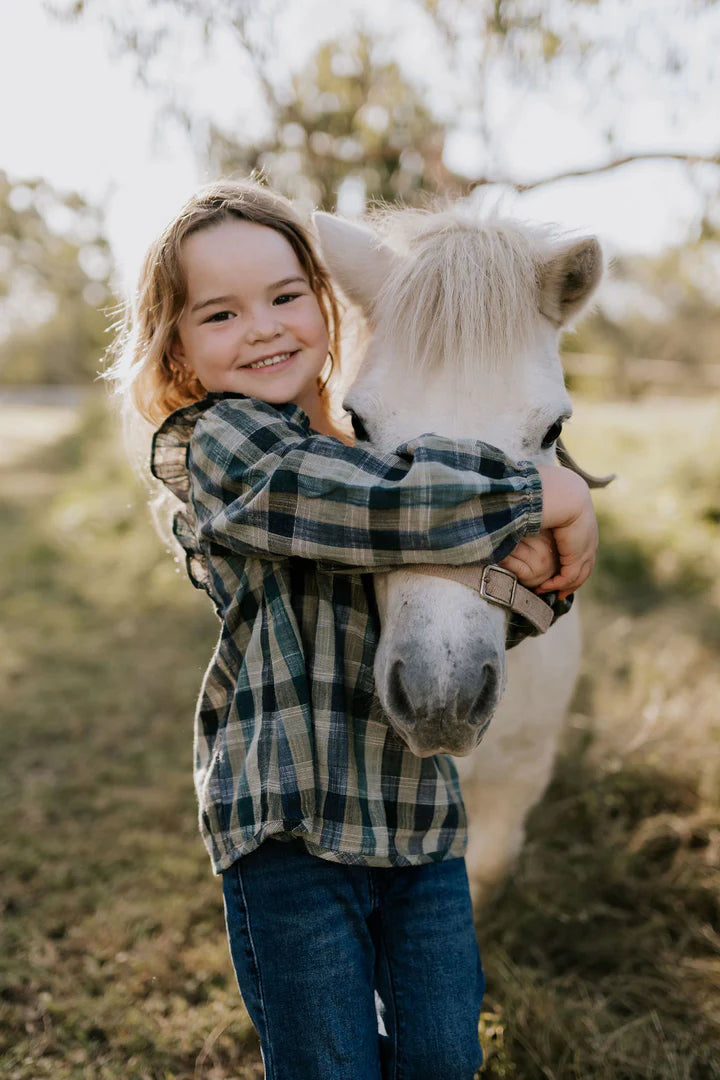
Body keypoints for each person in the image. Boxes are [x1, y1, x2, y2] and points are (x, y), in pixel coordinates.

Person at [108, 179, 598, 1080]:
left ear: (325, 307)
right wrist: (545, 493)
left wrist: (549, 579)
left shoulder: (356, 444)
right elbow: (381, 511)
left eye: (287, 297)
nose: (263, 328)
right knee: (328, 1063)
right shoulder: (228, 450)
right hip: (292, 832)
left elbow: (482, 587)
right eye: (220, 314)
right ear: (176, 350)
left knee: (446, 1059)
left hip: (417, 822)